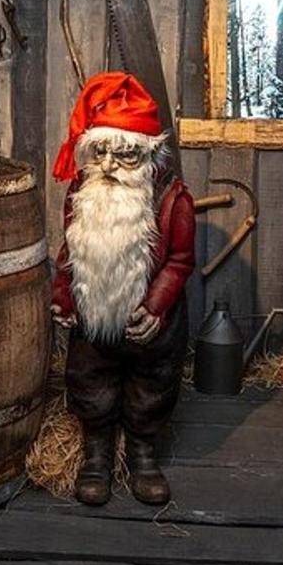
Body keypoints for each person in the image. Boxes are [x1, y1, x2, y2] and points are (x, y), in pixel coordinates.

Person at [49, 71, 196, 506]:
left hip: (150, 322)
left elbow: (180, 260)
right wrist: (64, 293)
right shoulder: (83, 191)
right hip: (93, 317)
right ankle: (96, 456)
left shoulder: (173, 199)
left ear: (148, 153)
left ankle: (143, 454)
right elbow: (70, 249)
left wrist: (157, 305)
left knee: (152, 383)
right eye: (101, 153)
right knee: (90, 379)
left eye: (126, 155)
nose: (111, 166)